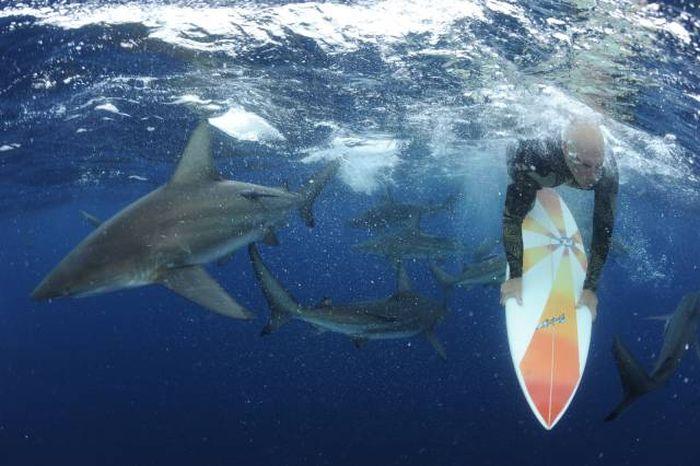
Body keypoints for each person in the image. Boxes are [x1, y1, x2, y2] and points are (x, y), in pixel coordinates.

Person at [499, 118, 619, 320]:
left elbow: (603, 229)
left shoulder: (605, 171)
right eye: (587, 166)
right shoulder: (533, 157)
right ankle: (530, 189)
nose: (592, 177)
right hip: (532, 162)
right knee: (523, 202)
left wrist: (591, 288)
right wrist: (515, 275)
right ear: (566, 149)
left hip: (561, 168)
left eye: (597, 166)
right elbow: (511, 218)